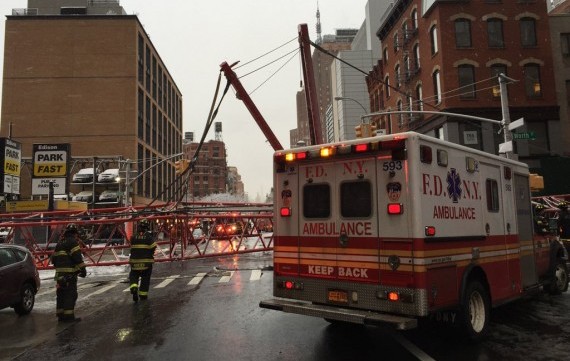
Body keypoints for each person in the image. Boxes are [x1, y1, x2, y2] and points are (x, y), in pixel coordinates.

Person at [51, 223, 87, 322]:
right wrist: (83, 269)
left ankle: (60, 315)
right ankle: (69, 316)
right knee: (70, 294)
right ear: (75, 233)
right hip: (69, 274)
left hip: (59, 275)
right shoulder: (73, 242)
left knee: (61, 294)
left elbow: (53, 259)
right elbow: (77, 258)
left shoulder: (60, 243)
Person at [129, 218, 157, 302]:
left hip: (134, 262)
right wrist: (150, 253)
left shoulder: (133, 237)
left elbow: (131, 247)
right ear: (146, 227)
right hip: (146, 262)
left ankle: (134, 287)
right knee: (145, 278)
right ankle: (143, 294)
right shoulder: (148, 237)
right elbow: (153, 246)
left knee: (133, 275)